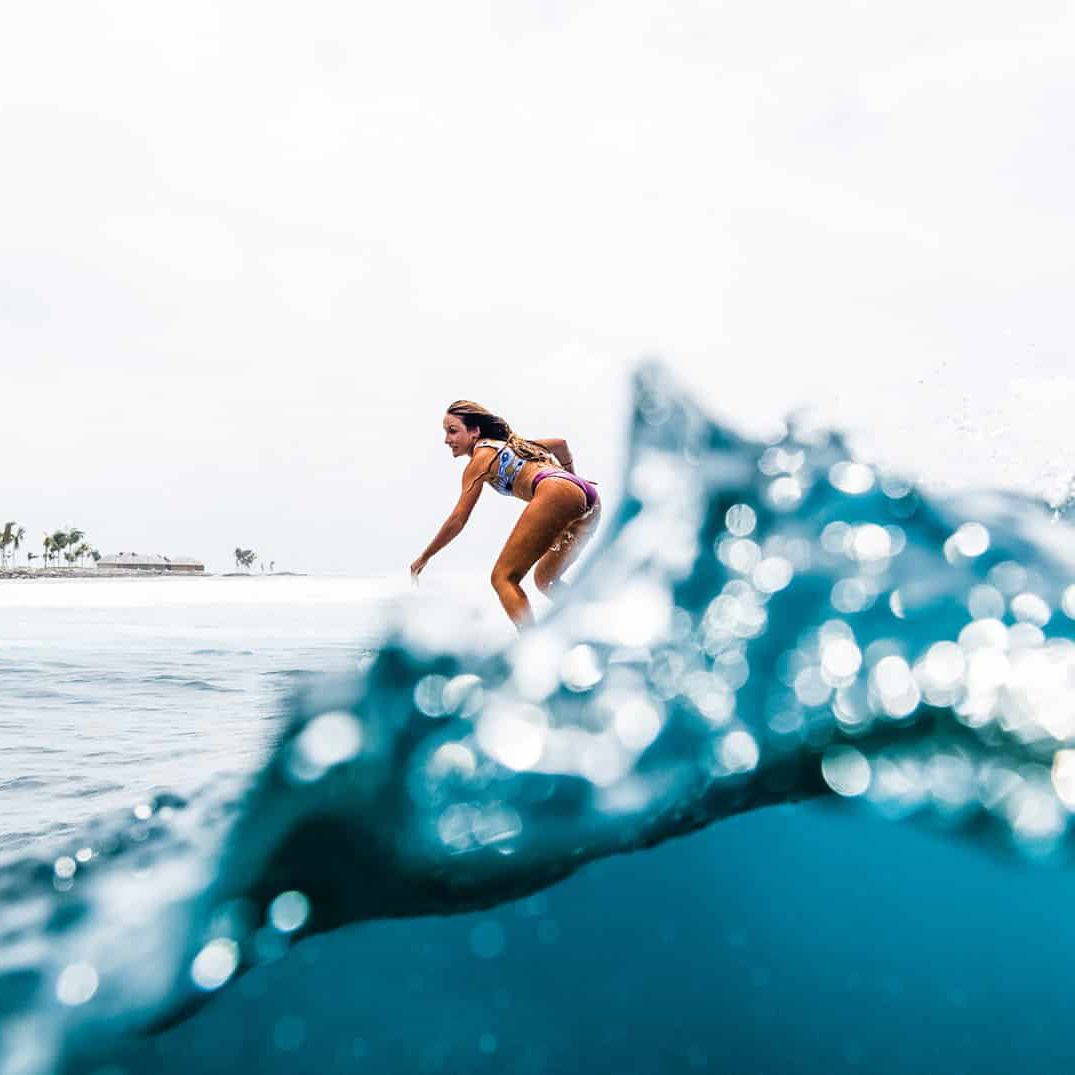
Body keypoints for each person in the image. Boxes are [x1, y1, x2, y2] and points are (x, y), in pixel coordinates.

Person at [410, 400, 601, 626]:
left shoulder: (479, 461)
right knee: (546, 580)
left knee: (503, 578)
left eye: (453, 431)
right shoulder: (515, 445)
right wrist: (573, 479)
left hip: (556, 491)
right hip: (590, 500)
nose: (446, 439)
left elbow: (457, 520)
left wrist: (425, 556)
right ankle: (598, 623)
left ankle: (532, 649)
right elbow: (561, 444)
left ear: (475, 431)